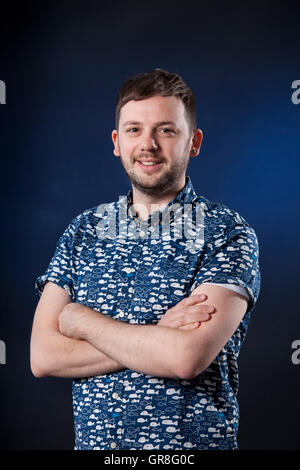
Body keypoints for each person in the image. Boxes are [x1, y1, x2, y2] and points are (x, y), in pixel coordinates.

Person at [30, 68, 261, 450]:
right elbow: (44, 356)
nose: (148, 144)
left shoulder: (227, 233)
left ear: (194, 142)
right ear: (117, 142)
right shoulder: (83, 231)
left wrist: (78, 319)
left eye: (166, 130)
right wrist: (158, 331)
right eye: (135, 130)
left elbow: (185, 357)